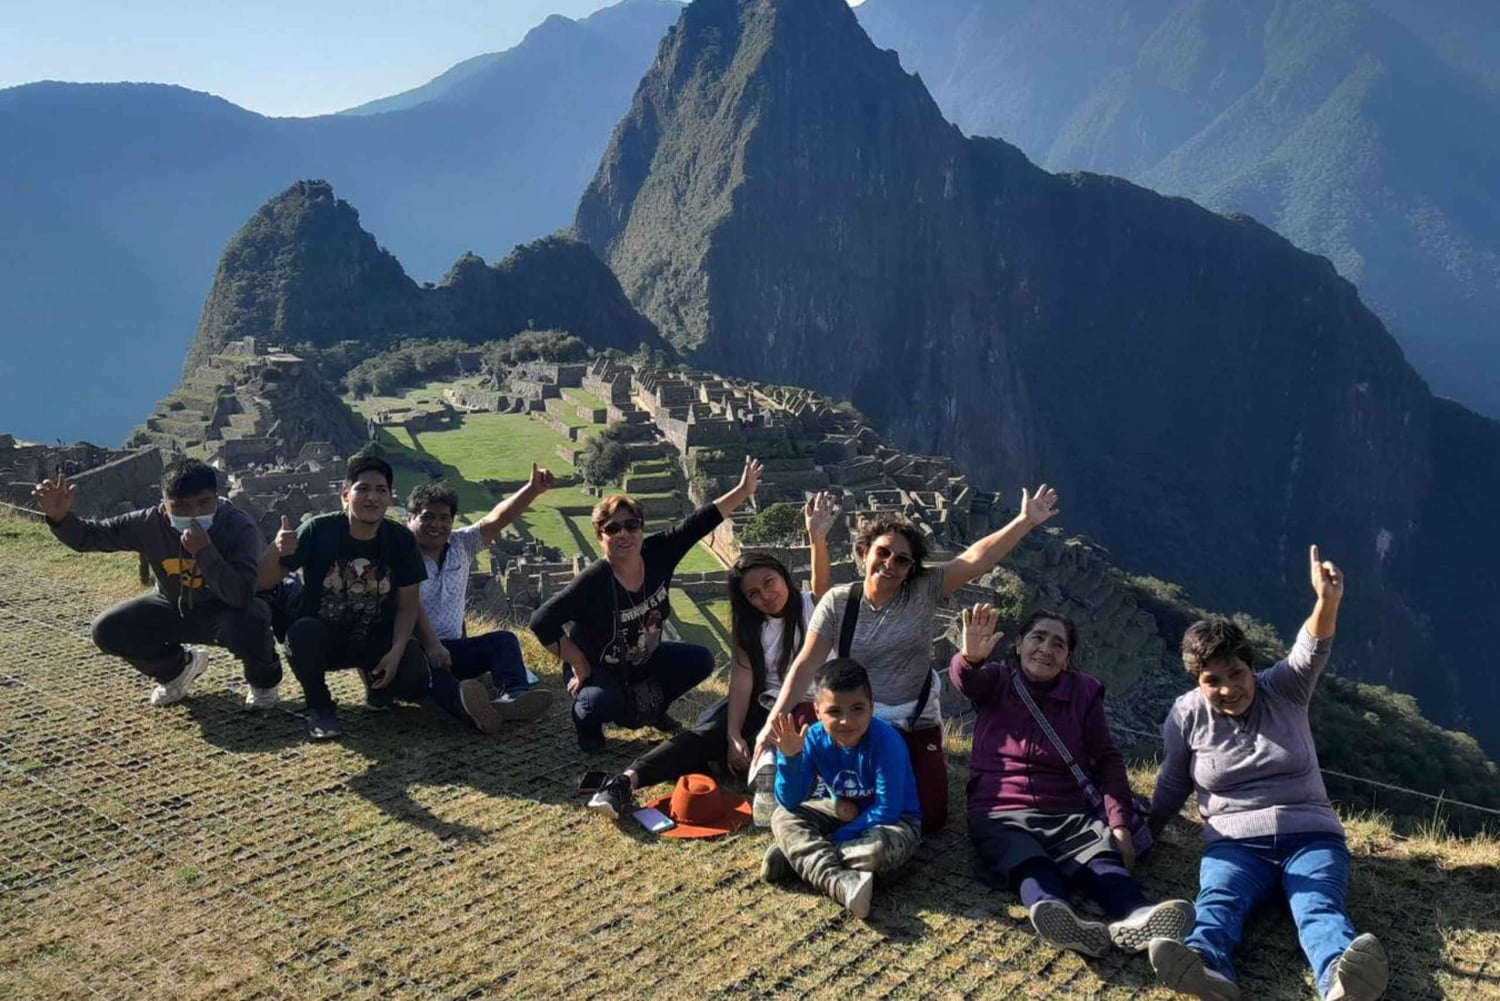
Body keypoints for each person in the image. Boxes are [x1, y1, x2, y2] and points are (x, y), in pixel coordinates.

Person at [1146, 546, 1389, 1001]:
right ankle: (1205, 967)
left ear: (1252, 667)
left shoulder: (1286, 687)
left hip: (1311, 836)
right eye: (1211, 680)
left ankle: (1341, 980)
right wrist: (1147, 832)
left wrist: (1326, 601)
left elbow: (1310, 648)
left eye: (1235, 672)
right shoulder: (1185, 715)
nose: (1227, 688)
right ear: (1196, 681)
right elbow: (1173, 781)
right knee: (1217, 902)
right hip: (1234, 844)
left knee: (1318, 908)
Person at [758, 484, 1061, 834]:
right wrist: (772, 721)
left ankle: (847, 805)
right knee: (816, 743)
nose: (890, 564)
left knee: (930, 816)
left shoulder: (923, 591)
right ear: (864, 552)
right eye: (883, 553)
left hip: (911, 717)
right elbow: (807, 664)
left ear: (911, 568)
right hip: (855, 715)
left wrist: (1025, 521)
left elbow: (975, 559)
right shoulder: (839, 602)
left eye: (901, 560)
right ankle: (838, 799)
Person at [951, 603, 1194, 956]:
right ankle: (1056, 913)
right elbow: (966, 680)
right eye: (1037, 638)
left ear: (1067, 658)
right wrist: (970, 657)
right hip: (999, 809)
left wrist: (1120, 825)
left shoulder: (1083, 693)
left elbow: (1108, 759)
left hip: (1067, 809)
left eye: (1058, 644)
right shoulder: (997, 681)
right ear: (1018, 644)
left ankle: (1138, 918)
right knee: (1026, 861)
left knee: (1101, 858)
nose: (1046, 650)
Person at [587, 491, 838, 819]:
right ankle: (624, 782)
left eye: (769, 582)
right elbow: (742, 684)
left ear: (783, 576)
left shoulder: (811, 606)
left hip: (809, 706)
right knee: (705, 734)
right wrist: (733, 734)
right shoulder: (751, 630)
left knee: (799, 747)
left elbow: (822, 585)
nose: (766, 595)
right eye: (754, 594)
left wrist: (817, 538)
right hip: (765, 703)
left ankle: (751, 774)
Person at [530, 456, 763, 752]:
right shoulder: (594, 581)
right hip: (598, 666)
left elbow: (698, 523)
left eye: (631, 525)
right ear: (600, 537)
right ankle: (586, 726)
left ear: (642, 528)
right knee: (598, 704)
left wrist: (743, 491)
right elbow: (542, 621)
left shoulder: (658, 554)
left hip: (643, 657)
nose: (624, 534)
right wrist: (578, 663)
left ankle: (654, 709)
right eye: (613, 529)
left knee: (700, 660)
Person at [34, 459, 281, 709]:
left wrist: (204, 551)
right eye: (181, 507)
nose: (194, 514)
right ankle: (176, 670)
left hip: (225, 609)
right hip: (172, 606)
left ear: (216, 499)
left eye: (204, 503)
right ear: (164, 506)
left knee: (253, 619)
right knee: (107, 629)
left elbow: (240, 593)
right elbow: (90, 536)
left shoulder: (238, 527)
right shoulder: (149, 523)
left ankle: (263, 684)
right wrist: (61, 518)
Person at [257, 454, 428, 740]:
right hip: (324, 637)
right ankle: (319, 706)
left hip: (373, 637)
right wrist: (276, 548)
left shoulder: (400, 539)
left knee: (415, 680)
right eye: (363, 489)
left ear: (390, 497)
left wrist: (397, 650)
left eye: (381, 490)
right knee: (301, 635)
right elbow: (261, 581)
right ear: (346, 494)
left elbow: (408, 605)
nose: (372, 497)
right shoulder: (318, 530)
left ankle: (377, 689)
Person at [759, 658, 921, 920]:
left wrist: (835, 839)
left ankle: (798, 857)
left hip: (893, 822)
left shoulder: (886, 742)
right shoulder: (812, 737)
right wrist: (789, 759)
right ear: (817, 710)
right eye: (834, 712)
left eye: (857, 709)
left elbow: (887, 810)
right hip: (840, 811)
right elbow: (790, 801)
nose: (846, 721)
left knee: (877, 851)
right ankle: (840, 883)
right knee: (782, 817)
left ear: (872, 706)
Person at [406, 466, 557, 734]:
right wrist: (431, 647)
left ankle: (514, 697)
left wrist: (533, 490)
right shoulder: (401, 554)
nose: (437, 525)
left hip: (454, 649)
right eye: (427, 517)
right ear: (411, 519)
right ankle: (470, 711)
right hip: (416, 652)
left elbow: (497, 518)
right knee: (440, 679)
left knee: (504, 641)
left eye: (444, 518)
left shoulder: (461, 544)